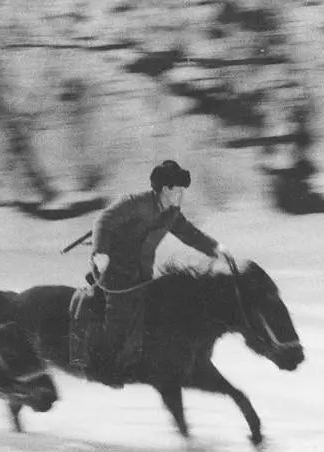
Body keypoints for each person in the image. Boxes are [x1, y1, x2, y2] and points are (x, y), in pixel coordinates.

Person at [89, 160, 231, 387]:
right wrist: (100, 252)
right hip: (114, 269)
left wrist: (214, 248)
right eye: (179, 190)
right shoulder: (136, 204)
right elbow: (103, 221)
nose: (182, 195)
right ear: (166, 190)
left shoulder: (171, 213)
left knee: (155, 312)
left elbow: (189, 233)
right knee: (120, 314)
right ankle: (106, 367)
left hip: (141, 273)